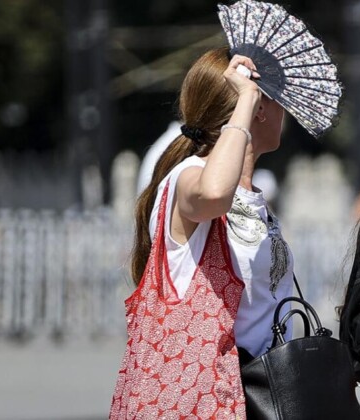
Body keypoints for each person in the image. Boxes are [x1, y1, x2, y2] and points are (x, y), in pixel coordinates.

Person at [110, 48, 295, 418]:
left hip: (253, 395)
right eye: (278, 99)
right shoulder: (188, 177)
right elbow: (214, 194)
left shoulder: (256, 200)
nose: (285, 111)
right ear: (257, 107)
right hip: (198, 399)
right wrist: (246, 98)